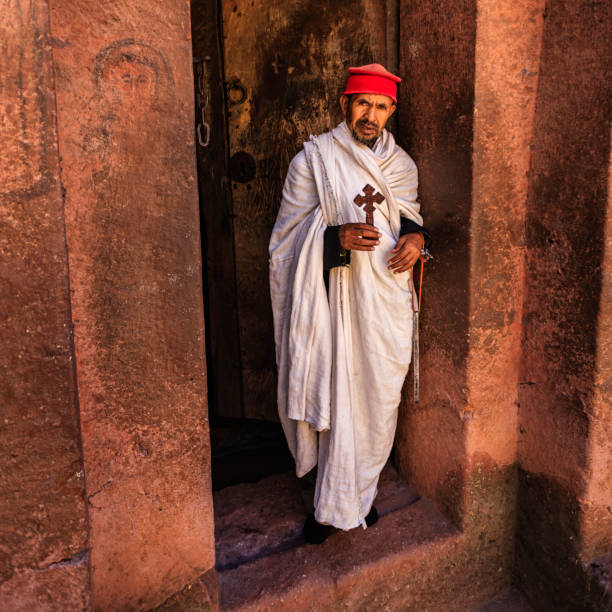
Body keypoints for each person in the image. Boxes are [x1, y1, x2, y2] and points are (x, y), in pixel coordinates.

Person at [269, 63, 430, 543]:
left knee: (378, 398)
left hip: (383, 300)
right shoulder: (312, 161)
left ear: (391, 111)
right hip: (331, 303)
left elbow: (410, 217)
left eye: (380, 107)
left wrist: (417, 239)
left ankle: (358, 494)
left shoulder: (401, 166)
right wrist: (333, 236)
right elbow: (284, 245)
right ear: (345, 104)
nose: (370, 114)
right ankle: (332, 507)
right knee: (339, 394)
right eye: (362, 103)